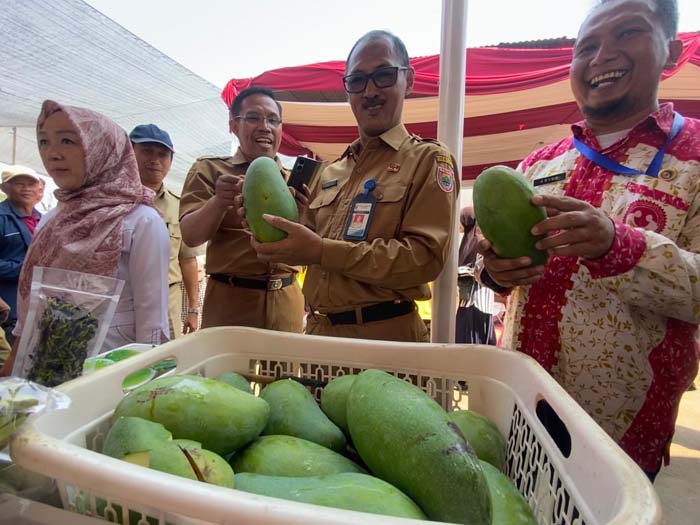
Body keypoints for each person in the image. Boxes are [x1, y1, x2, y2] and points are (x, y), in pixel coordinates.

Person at [477, 0, 699, 480]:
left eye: (627, 34)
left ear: (672, 52)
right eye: (588, 46)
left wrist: (621, 247)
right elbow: (498, 275)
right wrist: (494, 272)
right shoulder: (537, 164)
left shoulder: (694, 158)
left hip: (617, 435)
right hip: (520, 412)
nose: (602, 55)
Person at [240, 30, 459, 342]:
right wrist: (274, 228)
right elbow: (306, 252)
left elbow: (424, 260)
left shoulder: (429, 160)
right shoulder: (331, 170)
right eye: (357, 81)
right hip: (319, 333)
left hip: (386, 336)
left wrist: (321, 250)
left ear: (408, 80)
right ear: (347, 91)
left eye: (383, 75)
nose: (369, 91)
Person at [0, 100, 169, 377]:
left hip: (111, 373)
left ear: (102, 147)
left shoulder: (141, 221)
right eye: (43, 141)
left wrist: (147, 382)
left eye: (67, 140)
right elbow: (35, 307)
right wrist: (12, 372)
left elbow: (152, 323)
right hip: (47, 370)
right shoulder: (52, 219)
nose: (52, 153)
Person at [179, 87, 305, 332]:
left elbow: (314, 244)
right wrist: (218, 201)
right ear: (233, 126)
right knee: (226, 371)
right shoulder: (209, 170)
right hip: (230, 301)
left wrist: (306, 212)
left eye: (273, 120)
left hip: (287, 302)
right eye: (254, 118)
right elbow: (191, 236)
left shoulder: (295, 182)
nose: (265, 127)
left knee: (286, 371)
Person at [129, 124, 204, 339]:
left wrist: (193, 309)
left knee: (166, 365)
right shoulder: (110, 201)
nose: (155, 160)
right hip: (125, 301)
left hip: (166, 302)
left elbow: (187, 260)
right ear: (129, 153)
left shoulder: (178, 206)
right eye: (146, 151)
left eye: (162, 154)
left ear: (170, 161)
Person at [0, 165, 43, 345]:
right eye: (19, 183)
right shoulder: (2, 217)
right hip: (8, 305)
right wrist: (26, 269)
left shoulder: (43, 219)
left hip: (36, 304)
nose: (26, 189)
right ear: (4, 188)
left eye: (31, 184)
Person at [455, 207, 496, 345]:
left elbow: (479, 269)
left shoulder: (477, 241)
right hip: (472, 300)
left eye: (461, 220)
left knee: (471, 341)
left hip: (475, 301)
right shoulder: (468, 240)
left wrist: (459, 272)